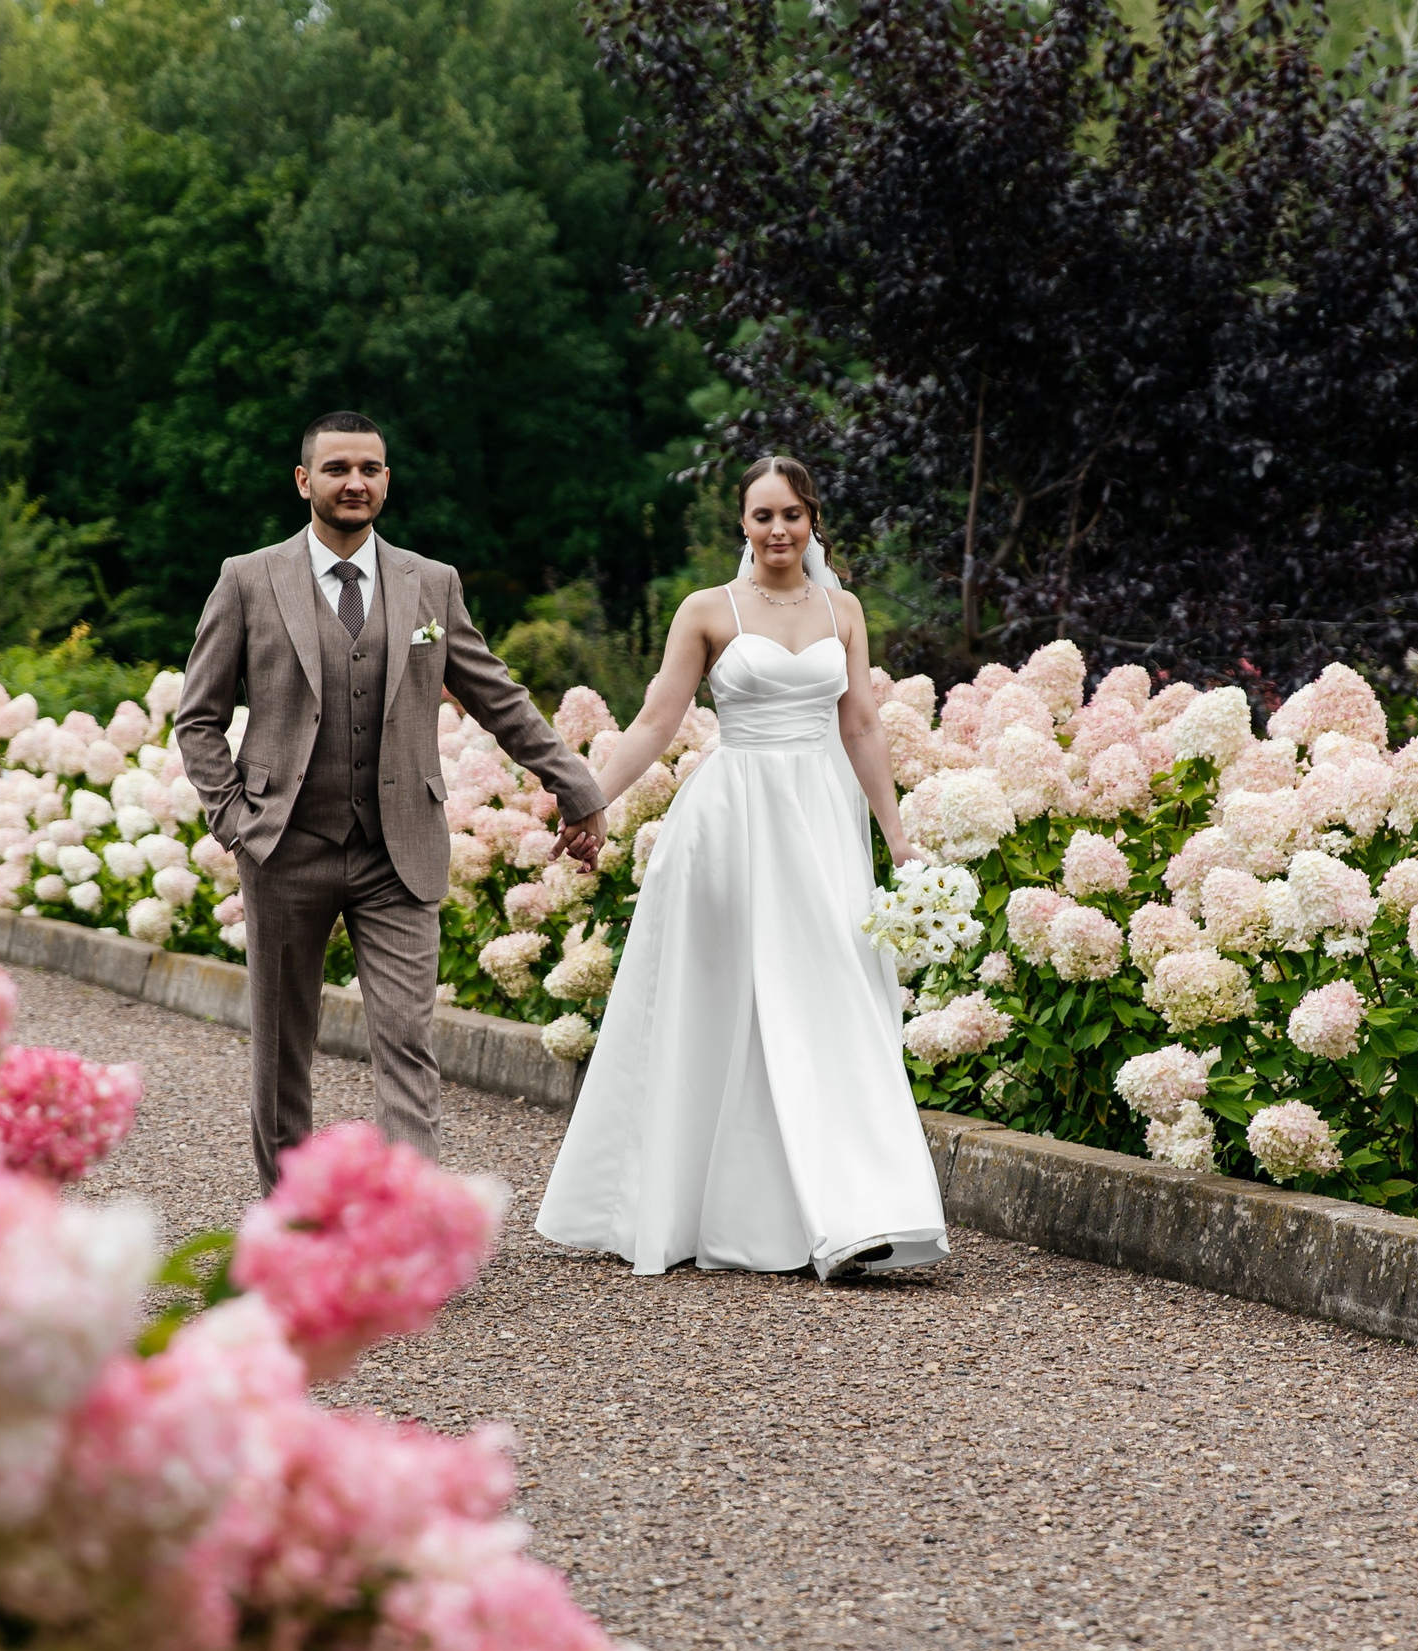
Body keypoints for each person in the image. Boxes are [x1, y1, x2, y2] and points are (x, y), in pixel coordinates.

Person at [535, 456, 949, 1279]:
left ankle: (857, 1212)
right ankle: (704, 1208)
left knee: (833, 997)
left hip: (821, 823)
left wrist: (896, 836)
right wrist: (590, 800)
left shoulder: (843, 610)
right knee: (725, 1003)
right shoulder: (706, 610)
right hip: (730, 822)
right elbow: (656, 721)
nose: (778, 529)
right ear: (743, 523)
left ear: (812, 519)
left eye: (792, 513)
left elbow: (863, 726)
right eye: (763, 515)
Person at [175, 411, 607, 1189]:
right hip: (284, 847)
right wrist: (235, 819)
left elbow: (497, 696)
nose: (355, 482)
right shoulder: (247, 579)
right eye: (337, 468)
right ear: (304, 480)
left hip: (397, 851)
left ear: (386, 479)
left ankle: (411, 1219)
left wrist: (575, 784)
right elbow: (198, 718)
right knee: (282, 1052)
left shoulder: (429, 583)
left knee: (407, 1042)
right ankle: (291, 1215)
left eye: (369, 468)